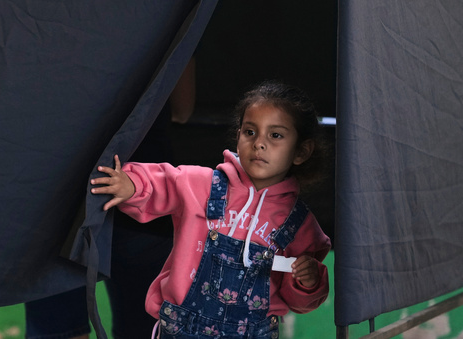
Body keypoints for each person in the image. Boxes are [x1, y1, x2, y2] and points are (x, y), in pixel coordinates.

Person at [90, 80, 330, 339]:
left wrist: (309, 282)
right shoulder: (203, 184)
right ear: (238, 138)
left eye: (276, 135)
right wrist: (131, 184)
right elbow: (162, 181)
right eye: (250, 132)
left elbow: (300, 300)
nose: (259, 143)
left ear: (301, 151)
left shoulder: (300, 225)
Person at [25, 59, 196, 339]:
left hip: (56, 196)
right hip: (140, 193)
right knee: (145, 330)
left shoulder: (38, 23)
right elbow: (182, 109)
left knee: (58, 331)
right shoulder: (161, 15)